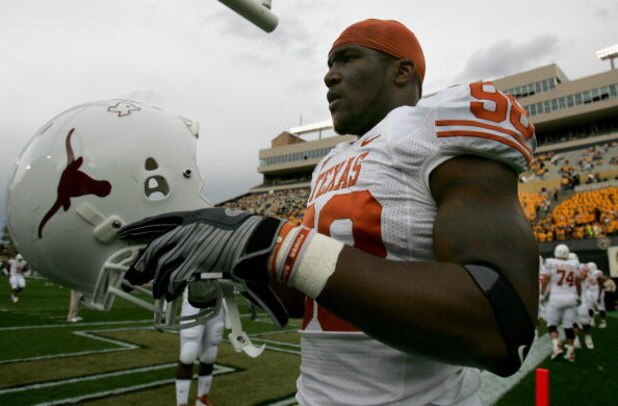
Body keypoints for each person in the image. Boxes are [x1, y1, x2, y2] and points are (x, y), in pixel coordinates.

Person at [120, 19, 539, 405]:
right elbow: (313, 294)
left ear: (403, 71)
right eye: (328, 63)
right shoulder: (331, 162)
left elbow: (499, 325)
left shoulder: (435, 132)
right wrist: (232, 270)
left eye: (348, 58)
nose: (329, 75)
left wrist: (274, 243)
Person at [175, 290, 225, 406]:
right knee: (188, 352)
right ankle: (182, 403)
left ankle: (202, 399)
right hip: (194, 299)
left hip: (219, 299)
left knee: (210, 353)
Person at [540, 244, 581, 361]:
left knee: (552, 324)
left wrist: (542, 294)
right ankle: (571, 353)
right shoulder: (574, 264)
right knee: (568, 326)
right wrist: (578, 295)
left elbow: (545, 280)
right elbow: (577, 283)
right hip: (571, 297)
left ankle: (556, 347)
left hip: (556, 297)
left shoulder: (550, 262)